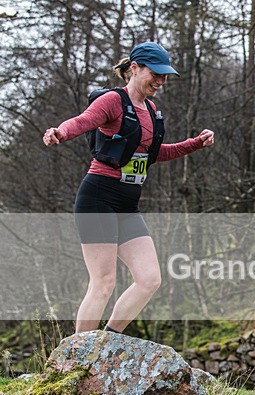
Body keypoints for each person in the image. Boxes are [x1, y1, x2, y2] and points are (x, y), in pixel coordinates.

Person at [42, 42, 214, 334]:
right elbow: (83, 122)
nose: (160, 81)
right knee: (104, 282)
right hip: (98, 197)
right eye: (155, 74)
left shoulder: (151, 109)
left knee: (149, 279)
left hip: (127, 205)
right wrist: (60, 132)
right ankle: (75, 357)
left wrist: (194, 144)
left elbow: (153, 154)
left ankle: (108, 341)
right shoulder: (112, 101)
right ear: (134, 68)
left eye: (165, 76)